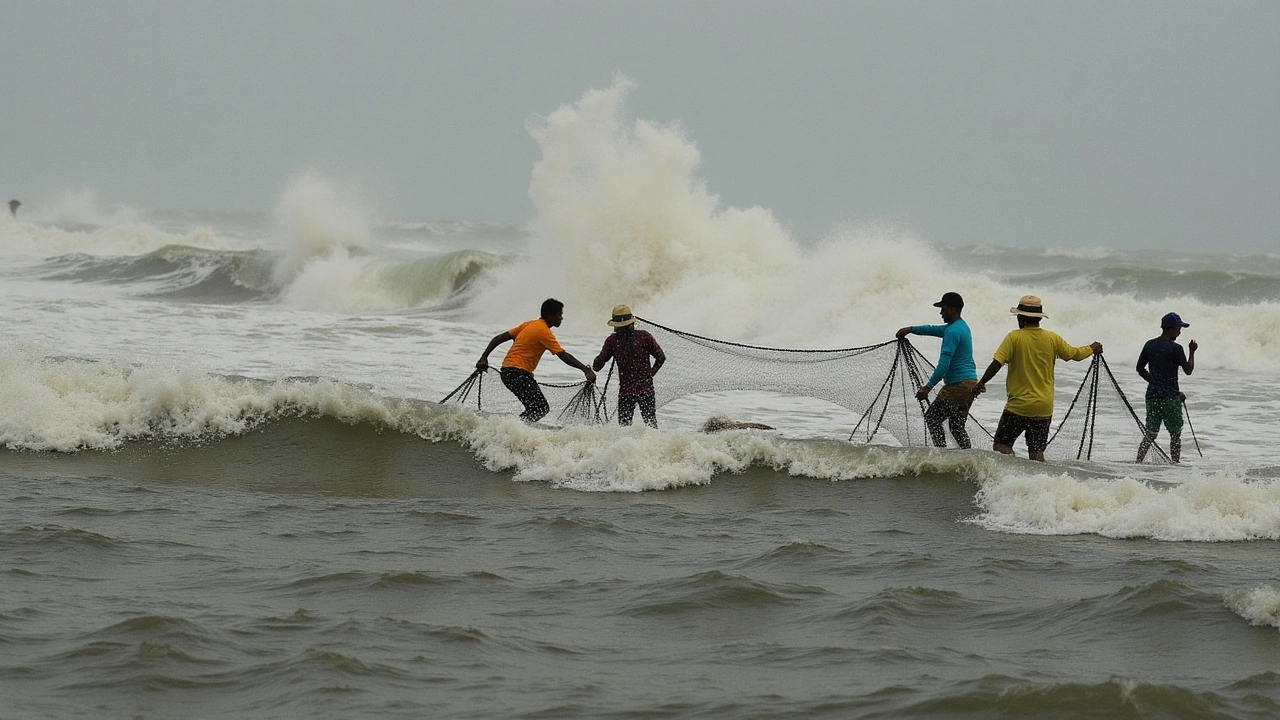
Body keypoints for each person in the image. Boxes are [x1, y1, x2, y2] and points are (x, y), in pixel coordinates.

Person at [972, 294, 1103, 462]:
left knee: (1001, 446)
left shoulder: (1014, 337)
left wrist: (981, 383)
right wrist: (1091, 348)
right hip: (1044, 407)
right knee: (1036, 452)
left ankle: (1012, 475)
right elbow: (1074, 355)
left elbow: (997, 363)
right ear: (1039, 318)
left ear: (1020, 317)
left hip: (1019, 406)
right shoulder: (1052, 338)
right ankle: (1037, 483)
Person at [475, 298, 596, 422]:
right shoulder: (543, 331)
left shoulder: (528, 324)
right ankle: (511, 430)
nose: (561, 318)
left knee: (535, 408)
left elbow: (499, 338)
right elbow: (563, 355)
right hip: (518, 373)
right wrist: (585, 369)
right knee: (540, 408)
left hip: (508, 372)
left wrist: (484, 357)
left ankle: (512, 429)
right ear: (550, 315)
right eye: (560, 314)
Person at [896, 291, 977, 448]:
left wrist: (928, 386)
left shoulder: (953, 331)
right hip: (969, 384)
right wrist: (911, 329)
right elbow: (932, 329)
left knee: (932, 418)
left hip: (958, 386)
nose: (941, 313)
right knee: (956, 427)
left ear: (952, 309)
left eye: (943, 308)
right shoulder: (960, 327)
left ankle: (941, 456)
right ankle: (968, 458)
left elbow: (943, 364)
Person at [1135, 312, 1197, 463]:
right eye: (1178, 328)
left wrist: (1154, 381)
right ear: (1170, 328)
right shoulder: (1176, 348)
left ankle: (1138, 462)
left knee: (1150, 433)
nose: (1180, 331)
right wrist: (1192, 351)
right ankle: (1175, 464)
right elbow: (1188, 370)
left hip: (1152, 396)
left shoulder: (1149, 344)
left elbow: (1140, 368)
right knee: (1175, 434)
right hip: (1170, 398)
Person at [592, 304, 665, 427]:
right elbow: (661, 357)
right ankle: (652, 446)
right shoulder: (644, 336)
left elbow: (597, 367)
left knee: (624, 428)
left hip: (626, 393)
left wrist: (597, 360)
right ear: (631, 323)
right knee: (651, 425)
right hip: (646, 391)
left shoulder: (612, 341)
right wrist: (650, 374)